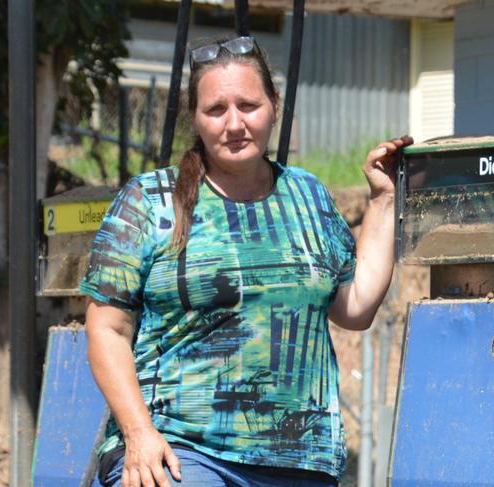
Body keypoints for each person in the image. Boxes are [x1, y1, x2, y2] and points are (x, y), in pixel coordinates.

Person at [80, 35, 413, 487]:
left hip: (299, 460)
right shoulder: (149, 202)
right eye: (216, 110)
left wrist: (383, 199)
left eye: (248, 106)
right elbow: (106, 329)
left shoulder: (307, 196)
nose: (234, 123)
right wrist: (139, 433)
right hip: (179, 451)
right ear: (195, 118)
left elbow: (354, 309)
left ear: (273, 105)